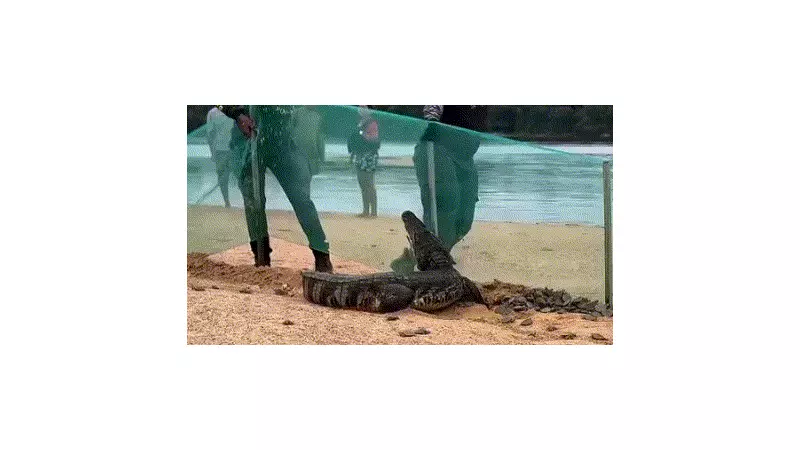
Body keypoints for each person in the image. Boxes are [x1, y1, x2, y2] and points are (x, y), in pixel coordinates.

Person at [217, 105, 333, 272]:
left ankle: (322, 254)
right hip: (247, 137)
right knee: (253, 202)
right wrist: (236, 113)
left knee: (300, 198)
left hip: (282, 138)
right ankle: (261, 259)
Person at [391, 105, 485, 274]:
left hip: (464, 157)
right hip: (436, 149)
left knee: (464, 221)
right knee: (444, 208)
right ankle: (434, 266)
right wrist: (432, 121)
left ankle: (413, 258)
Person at [347, 106, 379, 217]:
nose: (362, 109)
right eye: (361, 107)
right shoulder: (360, 123)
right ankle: (366, 210)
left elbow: (373, 139)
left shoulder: (371, 123)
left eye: (364, 107)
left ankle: (373, 212)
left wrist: (361, 134)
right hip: (359, 156)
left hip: (369, 156)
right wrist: (353, 153)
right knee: (362, 183)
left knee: (369, 184)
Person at [205, 106, 234, 207]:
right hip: (224, 150)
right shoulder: (212, 113)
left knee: (226, 177)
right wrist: (213, 152)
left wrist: (212, 152)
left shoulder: (213, 113)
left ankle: (228, 202)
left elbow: (210, 134)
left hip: (229, 149)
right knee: (224, 177)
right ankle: (227, 202)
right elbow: (210, 135)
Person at [291, 105, 325, 177]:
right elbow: (290, 130)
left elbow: (319, 138)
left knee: (308, 175)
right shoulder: (297, 113)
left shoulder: (318, 116)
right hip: (298, 150)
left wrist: (322, 156)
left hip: (311, 152)